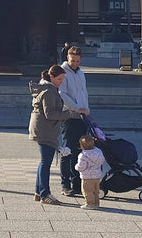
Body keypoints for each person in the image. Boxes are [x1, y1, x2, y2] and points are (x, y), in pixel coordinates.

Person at [29, 64, 67, 204]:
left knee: (43, 162)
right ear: (51, 77)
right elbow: (50, 114)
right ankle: (45, 194)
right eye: (59, 79)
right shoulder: (48, 91)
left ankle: (39, 192)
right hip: (45, 129)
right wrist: (67, 114)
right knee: (46, 162)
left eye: (62, 79)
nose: (61, 82)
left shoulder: (46, 88)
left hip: (42, 128)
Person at [58, 45, 90, 197]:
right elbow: (62, 94)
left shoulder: (81, 73)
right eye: (72, 61)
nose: (75, 64)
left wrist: (86, 108)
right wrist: (77, 108)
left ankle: (76, 183)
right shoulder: (63, 73)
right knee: (67, 150)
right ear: (67, 58)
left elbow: (84, 92)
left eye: (77, 61)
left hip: (82, 116)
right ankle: (65, 184)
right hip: (69, 115)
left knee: (79, 150)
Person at [75, 129, 106, 209]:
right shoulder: (98, 151)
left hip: (87, 177)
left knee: (87, 191)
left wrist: (76, 167)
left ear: (82, 146)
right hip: (97, 176)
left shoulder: (83, 155)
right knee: (96, 191)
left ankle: (90, 204)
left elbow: (81, 167)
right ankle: (96, 203)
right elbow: (102, 160)